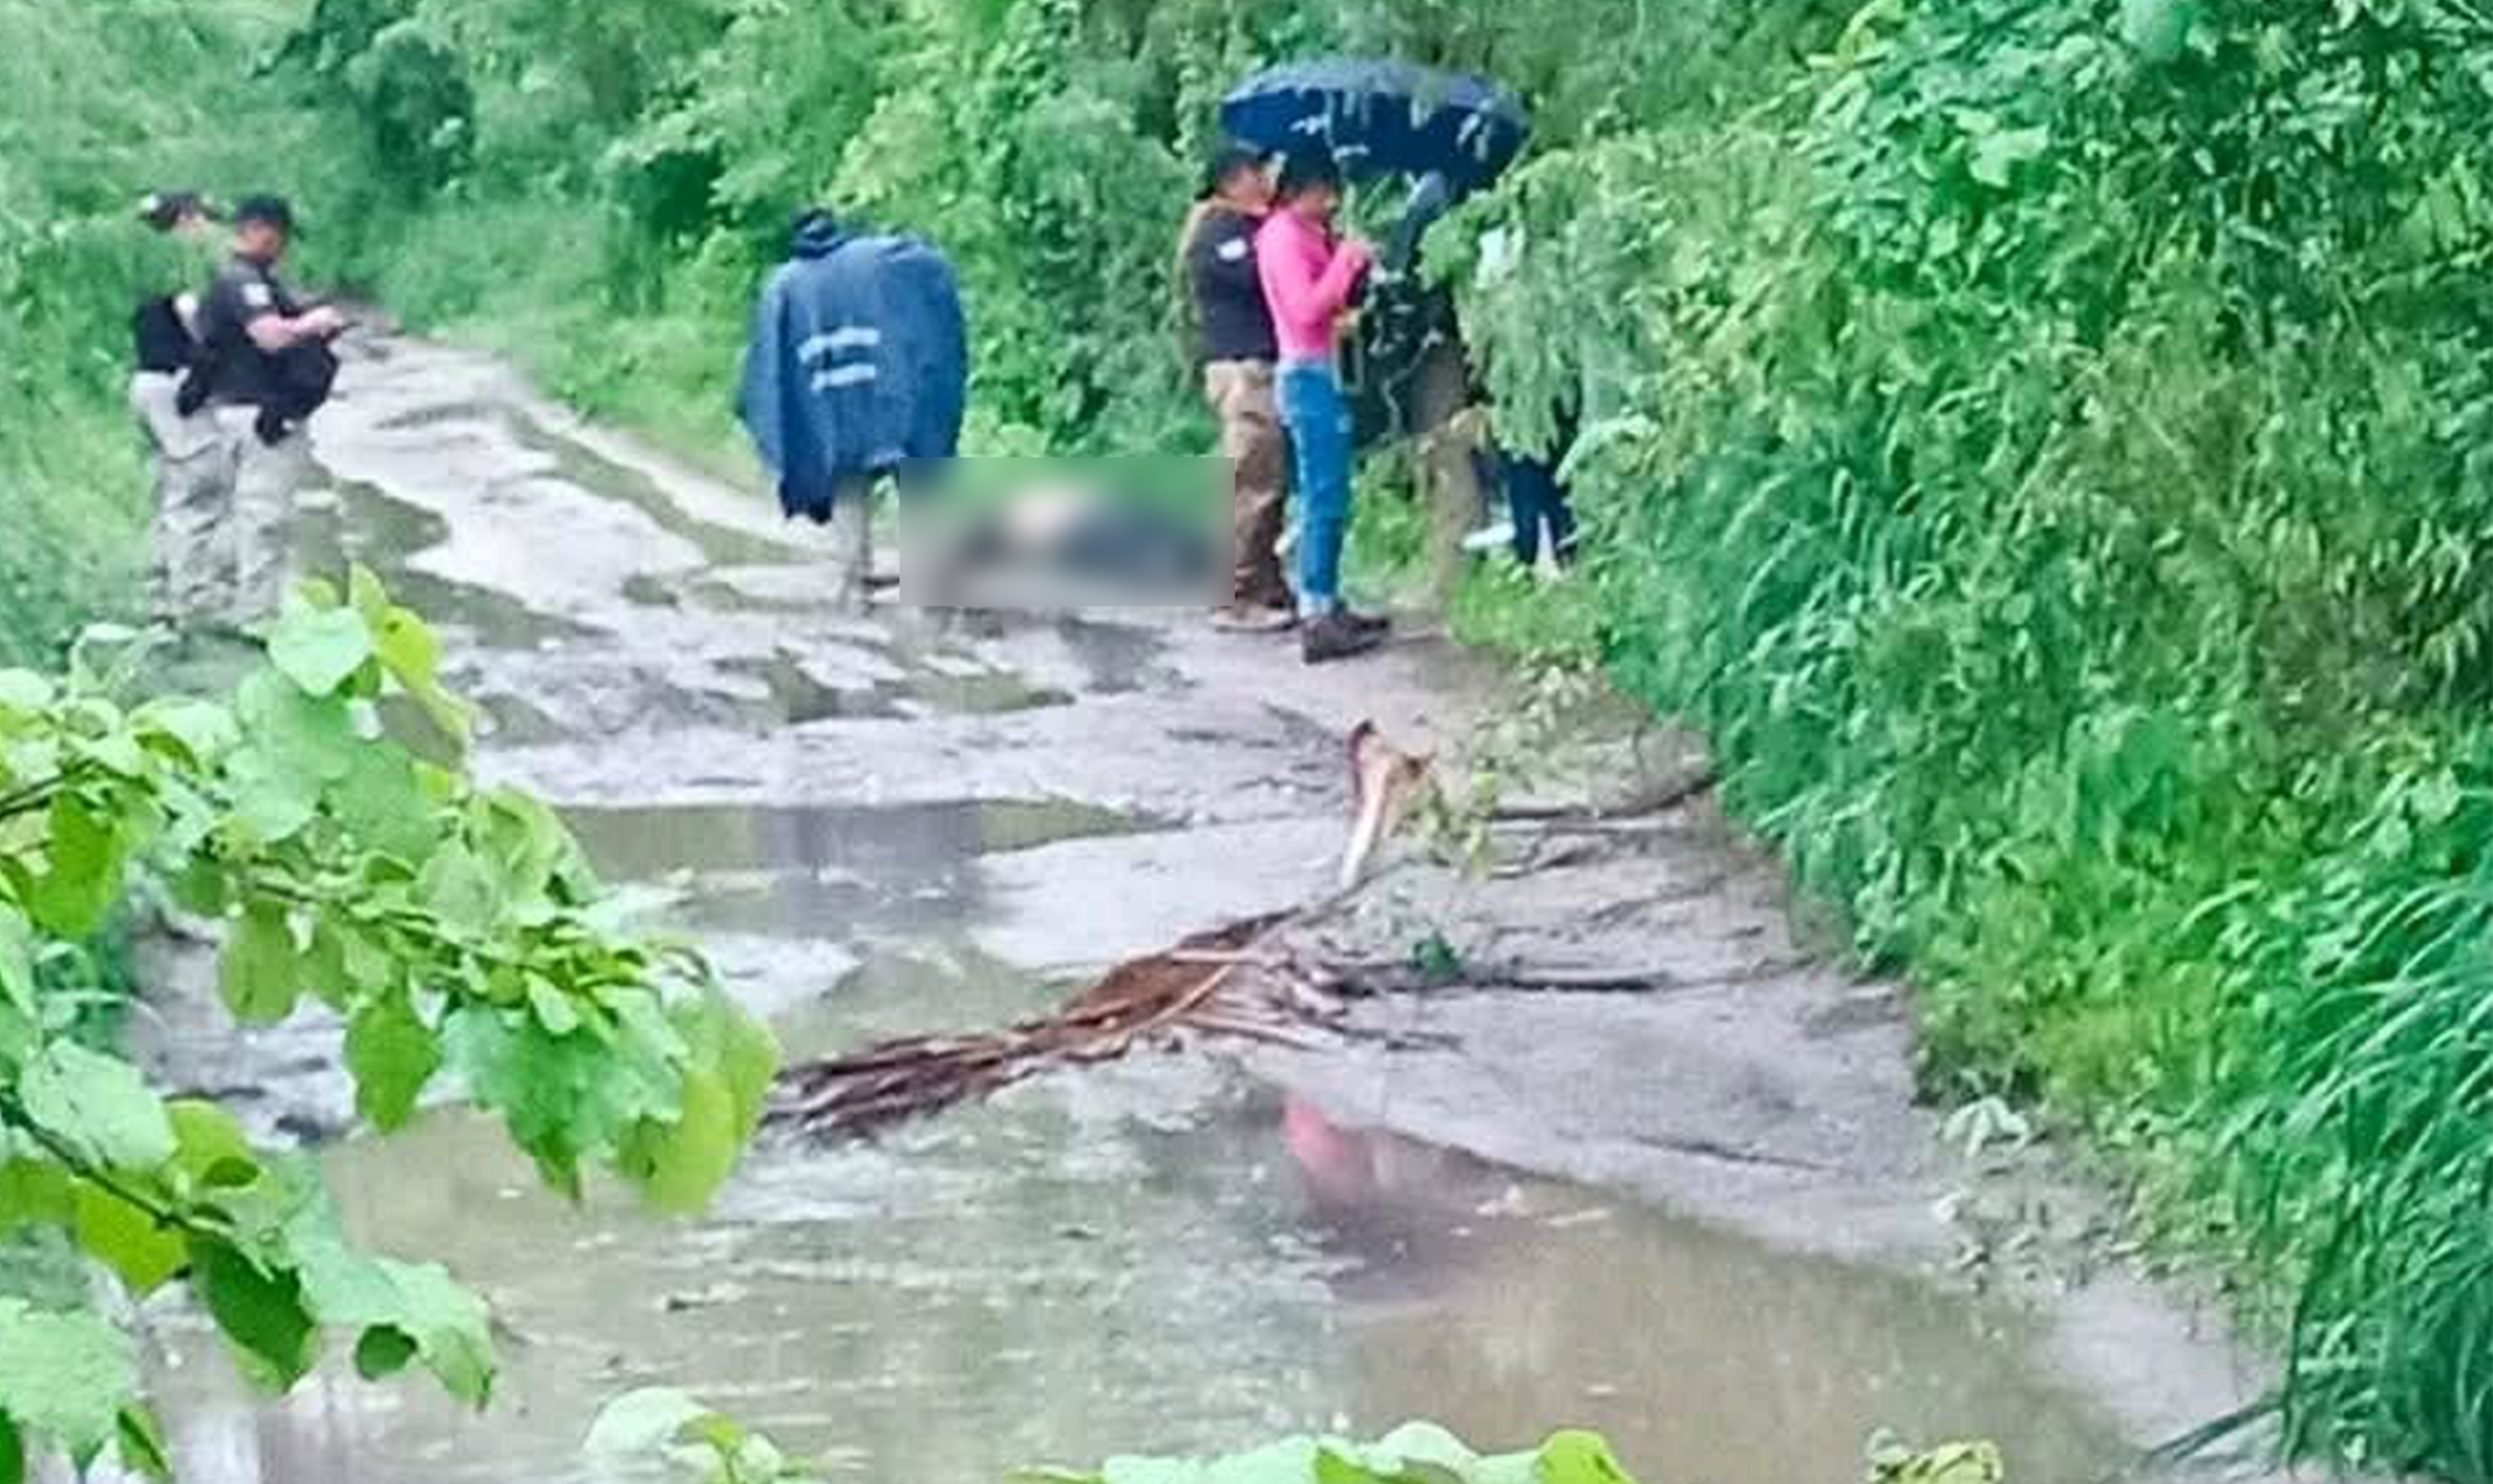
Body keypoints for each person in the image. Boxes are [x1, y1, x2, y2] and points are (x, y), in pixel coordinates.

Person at [737, 207, 968, 614]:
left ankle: (855, 591)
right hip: (895, 400)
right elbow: (931, 268)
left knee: (848, 489)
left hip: (834, 413)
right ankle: (922, 593)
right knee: (917, 483)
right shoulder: (880, 258)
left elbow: (772, 367)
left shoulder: (785, 285)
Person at [183, 195, 349, 630]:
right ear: (260, 230)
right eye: (279, 235)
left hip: (237, 411)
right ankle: (254, 615)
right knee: (264, 516)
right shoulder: (244, 282)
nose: (282, 246)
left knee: (237, 511)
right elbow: (270, 337)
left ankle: (212, 601)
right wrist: (311, 325)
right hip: (255, 415)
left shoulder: (242, 280)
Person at [1256, 152, 1389, 664]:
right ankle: (1316, 612)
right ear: (1297, 191)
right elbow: (1306, 308)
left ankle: (1329, 599)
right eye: (1323, 193)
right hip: (1308, 373)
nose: (1331, 202)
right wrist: (1346, 260)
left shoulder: (1307, 233)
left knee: (1332, 494)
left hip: (1324, 367)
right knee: (1322, 497)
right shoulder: (1284, 238)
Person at [1180, 142, 1294, 633]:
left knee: (1270, 478)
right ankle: (1234, 595)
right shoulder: (1218, 231)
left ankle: (1266, 583)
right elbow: (1257, 277)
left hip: (1264, 365)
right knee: (1251, 481)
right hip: (1242, 370)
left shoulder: (1250, 228)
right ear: (1233, 180)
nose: (1267, 180)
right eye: (1259, 172)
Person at [128, 191, 235, 629]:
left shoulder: (139, 260)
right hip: (175, 385)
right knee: (199, 493)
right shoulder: (187, 264)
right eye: (202, 219)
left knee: (170, 491)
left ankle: (158, 592)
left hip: (144, 382)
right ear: (187, 219)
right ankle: (191, 601)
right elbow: (199, 324)